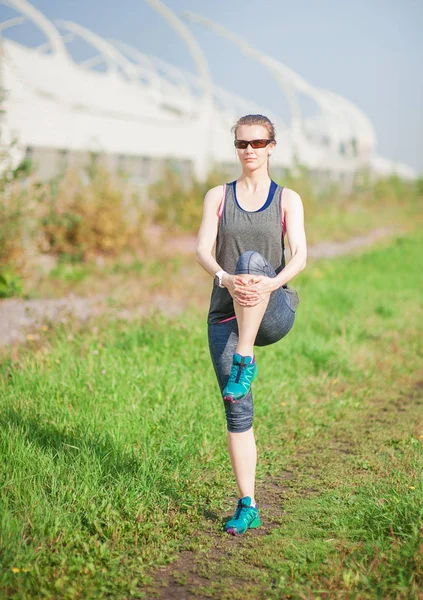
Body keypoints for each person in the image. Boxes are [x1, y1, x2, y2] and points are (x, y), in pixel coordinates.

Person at [195, 114, 307, 536]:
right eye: (243, 144)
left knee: (250, 264)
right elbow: (203, 250)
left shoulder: (287, 199)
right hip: (225, 311)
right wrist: (224, 279)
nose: (250, 151)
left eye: (258, 143)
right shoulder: (218, 197)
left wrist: (267, 283)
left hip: (274, 311)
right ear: (236, 147)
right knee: (236, 410)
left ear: (272, 146)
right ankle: (248, 504)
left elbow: (299, 253)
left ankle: (246, 356)